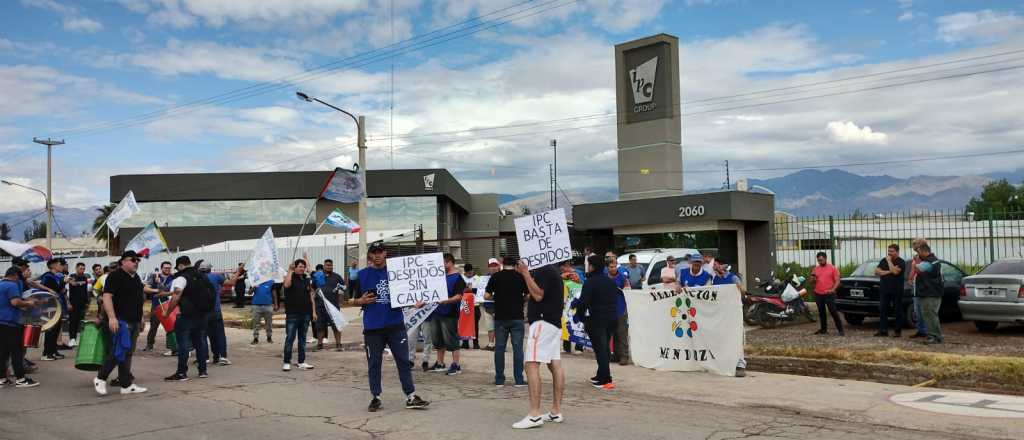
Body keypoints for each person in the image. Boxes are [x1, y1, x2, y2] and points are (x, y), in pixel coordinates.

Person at [353, 241, 429, 412]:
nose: (378, 255)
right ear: (370, 255)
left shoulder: (397, 272)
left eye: (380, 251)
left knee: (403, 361)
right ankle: (375, 397)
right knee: (374, 363)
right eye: (374, 252)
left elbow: (407, 294)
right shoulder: (362, 275)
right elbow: (351, 300)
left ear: (385, 253)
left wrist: (414, 304)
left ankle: (410, 396)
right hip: (373, 328)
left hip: (395, 325)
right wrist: (360, 301)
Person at [512, 260, 565, 430]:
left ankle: (534, 415)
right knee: (554, 364)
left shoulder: (545, 269)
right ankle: (556, 411)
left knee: (531, 365)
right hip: (553, 323)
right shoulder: (553, 270)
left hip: (542, 322)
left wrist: (525, 272)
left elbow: (538, 295)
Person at [93, 251, 148, 396]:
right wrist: (111, 318)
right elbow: (107, 297)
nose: (136, 262)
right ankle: (100, 378)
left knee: (127, 353)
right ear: (123, 261)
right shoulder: (115, 276)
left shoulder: (136, 278)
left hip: (134, 320)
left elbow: (138, 299)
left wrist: (141, 318)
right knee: (119, 351)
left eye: (138, 260)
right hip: (121, 321)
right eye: (133, 259)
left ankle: (126, 384)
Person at [163, 256, 214, 382]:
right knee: (200, 342)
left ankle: (181, 373)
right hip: (202, 315)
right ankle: (203, 371)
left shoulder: (181, 278)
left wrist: (167, 312)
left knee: (183, 344)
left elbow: (176, 296)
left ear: (180, 265)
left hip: (186, 316)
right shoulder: (202, 276)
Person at [576, 255, 619, 390]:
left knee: (601, 349)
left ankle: (606, 379)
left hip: (597, 319)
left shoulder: (590, 282)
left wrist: (580, 316)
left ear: (593, 266)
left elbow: (583, 302)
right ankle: (601, 375)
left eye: (588, 264)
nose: (587, 267)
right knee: (604, 348)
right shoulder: (610, 281)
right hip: (612, 318)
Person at [485, 256, 527, 387]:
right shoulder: (521, 277)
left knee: (499, 348)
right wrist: (521, 300)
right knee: (518, 349)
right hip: (517, 317)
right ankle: (519, 380)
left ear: (502, 264)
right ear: (515, 265)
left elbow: (486, 295)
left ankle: (499, 380)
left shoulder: (496, 277)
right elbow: (528, 294)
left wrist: (496, 297)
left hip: (501, 317)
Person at [1, 267, 40, 388]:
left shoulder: (1, 284)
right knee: (16, 352)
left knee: (3, 352)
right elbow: (15, 302)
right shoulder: (12, 285)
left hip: (1, 323)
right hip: (11, 324)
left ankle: (2, 379)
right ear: (15, 276)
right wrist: (29, 303)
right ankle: (21, 379)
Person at [429, 253, 466, 375]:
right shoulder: (439, 277)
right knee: (437, 339)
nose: (441, 265)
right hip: (436, 312)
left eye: (443, 263)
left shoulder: (458, 278)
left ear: (449, 262)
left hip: (449, 313)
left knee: (451, 339)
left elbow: (459, 296)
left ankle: (456, 364)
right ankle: (440, 363)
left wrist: (447, 301)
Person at [712, 260, 747, 377]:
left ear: (723, 265)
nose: (714, 266)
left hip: (734, 314)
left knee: (737, 337)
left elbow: (743, 291)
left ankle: (740, 364)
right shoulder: (715, 279)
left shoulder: (733, 277)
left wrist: (739, 288)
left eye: (716, 264)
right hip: (722, 314)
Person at [281, 259, 317, 372]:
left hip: (305, 313)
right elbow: (286, 285)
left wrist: (313, 311)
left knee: (302, 339)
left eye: (303, 267)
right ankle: (286, 362)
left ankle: (301, 361)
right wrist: (290, 271)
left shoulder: (306, 280)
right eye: (300, 266)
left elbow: (311, 296)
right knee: (290, 338)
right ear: (295, 267)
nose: (302, 268)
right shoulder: (289, 277)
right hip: (292, 314)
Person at [199, 261, 237, 365]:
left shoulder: (196, 278)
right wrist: (238, 272)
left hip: (201, 312)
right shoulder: (216, 277)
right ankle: (222, 357)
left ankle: (204, 357)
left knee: (202, 335)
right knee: (219, 334)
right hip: (215, 310)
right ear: (210, 269)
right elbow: (231, 283)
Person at [914, 243, 944, 345]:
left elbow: (918, 269)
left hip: (930, 293)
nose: (918, 254)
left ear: (923, 251)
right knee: (929, 314)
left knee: (930, 314)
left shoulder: (929, 261)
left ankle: (935, 336)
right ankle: (934, 335)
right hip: (931, 291)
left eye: (919, 252)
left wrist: (916, 262)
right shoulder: (933, 260)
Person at [875, 244, 906, 338]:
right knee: (883, 310)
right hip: (884, 289)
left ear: (897, 251)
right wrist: (889, 271)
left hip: (896, 290)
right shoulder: (883, 260)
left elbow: (896, 272)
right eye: (889, 251)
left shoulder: (901, 262)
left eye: (892, 251)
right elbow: (876, 271)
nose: (889, 253)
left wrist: (889, 262)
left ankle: (897, 331)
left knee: (897, 310)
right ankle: (883, 330)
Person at [39, 258, 67, 361]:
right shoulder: (47, 277)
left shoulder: (56, 277)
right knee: (50, 330)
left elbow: (59, 291)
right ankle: (46, 353)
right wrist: (63, 283)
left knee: (56, 330)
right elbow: (50, 291)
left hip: (57, 306)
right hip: (50, 307)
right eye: (60, 264)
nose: (62, 266)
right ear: (53, 265)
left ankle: (53, 351)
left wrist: (63, 284)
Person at [810, 252, 844, 336]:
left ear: (825, 258)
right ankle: (823, 329)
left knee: (833, 311)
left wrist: (833, 289)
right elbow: (811, 281)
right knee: (821, 312)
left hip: (829, 293)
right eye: (818, 260)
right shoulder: (815, 269)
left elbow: (837, 281)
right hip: (818, 293)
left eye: (821, 260)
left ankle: (840, 330)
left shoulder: (832, 268)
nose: (820, 262)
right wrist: (812, 280)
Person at [143, 261, 174, 354]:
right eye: (165, 268)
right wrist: (156, 290)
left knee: (170, 327)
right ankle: (149, 345)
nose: (167, 269)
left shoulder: (173, 277)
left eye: (169, 268)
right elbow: (145, 288)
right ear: (161, 268)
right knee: (153, 326)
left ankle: (172, 346)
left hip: (169, 305)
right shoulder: (154, 276)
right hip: (156, 306)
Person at [314, 259, 345, 351]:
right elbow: (312, 288)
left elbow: (344, 288)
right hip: (320, 305)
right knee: (320, 326)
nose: (329, 267)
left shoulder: (337, 277)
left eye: (331, 265)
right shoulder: (318, 276)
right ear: (324, 266)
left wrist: (340, 293)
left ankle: (338, 344)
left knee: (336, 326)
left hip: (333, 306)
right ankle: (320, 344)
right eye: (327, 265)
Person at [606, 257, 631, 366]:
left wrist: (624, 288)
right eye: (611, 267)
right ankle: (616, 355)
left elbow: (628, 290)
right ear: (607, 268)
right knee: (612, 333)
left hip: (620, 309)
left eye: (615, 266)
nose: (613, 268)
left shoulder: (622, 278)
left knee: (622, 333)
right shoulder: (604, 278)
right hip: (608, 310)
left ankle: (624, 356)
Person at [907, 238, 929, 339]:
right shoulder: (916, 257)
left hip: (922, 286)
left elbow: (919, 269)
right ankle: (921, 330)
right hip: (916, 286)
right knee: (917, 310)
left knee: (924, 310)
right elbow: (913, 269)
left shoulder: (925, 257)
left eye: (915, 245)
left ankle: (927, 331)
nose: (913, 247)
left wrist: (916, 262)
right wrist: (910, 278)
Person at [67, 262, 92, 349]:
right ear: (76, 268)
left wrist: (87, 302)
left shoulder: (85, 277)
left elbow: (85, 290)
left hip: (82, 303)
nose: (82, 270)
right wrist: (79, 283)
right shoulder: (72, 276)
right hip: (73, 303)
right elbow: (73, 283)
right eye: (80, 268)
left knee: (80, 321)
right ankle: (71, 339)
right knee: (73, 321)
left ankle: (77, 338)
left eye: (83, 268)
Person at [479, 258, 500, 351]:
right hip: (487, 306)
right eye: (491, 266)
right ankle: (491, 344)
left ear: (498, 266)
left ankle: (499, 345)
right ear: (488, 267)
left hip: (500, 307)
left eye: (495, 265)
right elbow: (480, 292)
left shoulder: (502, 276)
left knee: (499, 327)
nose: (493, 268)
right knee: (490, 327)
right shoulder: (484, 278)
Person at [461, 263, 482, 350]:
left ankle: (475, 343)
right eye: (467, 273)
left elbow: (480, 290)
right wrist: (469, 290)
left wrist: (469, 290)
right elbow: (460, 290)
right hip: (464, 304)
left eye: (470, 272)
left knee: (475, 325)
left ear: (473, 271)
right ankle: (465, 343)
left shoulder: (478, 278)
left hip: (475, 305)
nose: (469, 275)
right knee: (464, 324)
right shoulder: (461, 277)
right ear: (464, 272)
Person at [250, 280, 275, 345]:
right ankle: (255, 338)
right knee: (256, 323)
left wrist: (276, 304)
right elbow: (249, 292)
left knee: (269, 323)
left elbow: (274, 292)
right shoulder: (254, 281)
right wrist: (253, 288)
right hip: (256, 305)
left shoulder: (271, 282)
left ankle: (269, 337)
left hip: (268, 305)